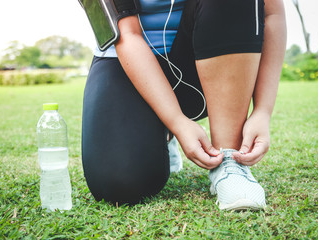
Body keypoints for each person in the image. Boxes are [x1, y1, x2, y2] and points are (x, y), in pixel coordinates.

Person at [82, 0, 286, 210]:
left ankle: (229, 160)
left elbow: (272, 14)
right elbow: (127, 35)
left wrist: (262, 111)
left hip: (208, 55)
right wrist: (176, 122)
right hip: (130, 58)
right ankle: (161, 131)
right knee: (119, 185)